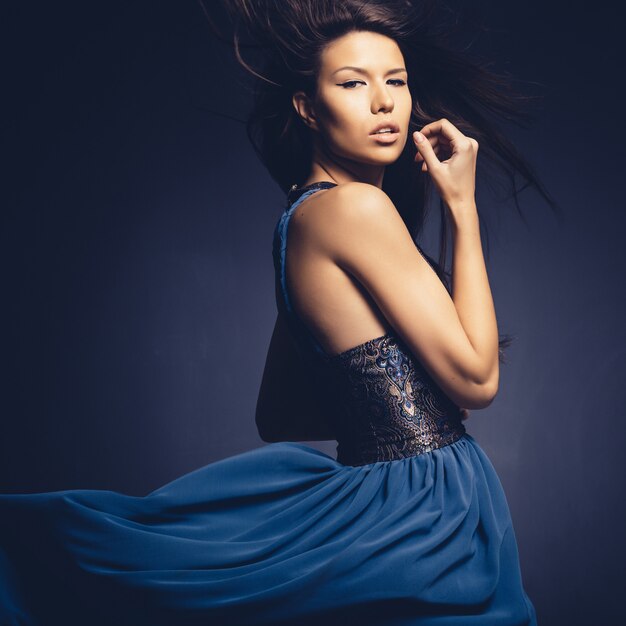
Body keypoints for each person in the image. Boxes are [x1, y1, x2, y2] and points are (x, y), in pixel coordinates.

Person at [1, 1, 555, 624]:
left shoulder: (299, 221)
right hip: (425, 517)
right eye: (352, 83)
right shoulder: (356, 211)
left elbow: (278, 412)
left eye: (395, 81)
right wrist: (463, 208)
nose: (384, 103)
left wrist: (395, 401)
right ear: (306, 106)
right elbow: (478, 380)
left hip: (403, 510)